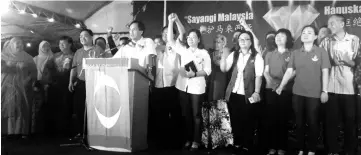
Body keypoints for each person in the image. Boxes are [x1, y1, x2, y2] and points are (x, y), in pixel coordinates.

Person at [276, 25, 331, 155]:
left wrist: (325, 91)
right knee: (299, 122)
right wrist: (281, 86)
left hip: (314, 94)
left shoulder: (321, 52)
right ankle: (300, 149)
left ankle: (312, 149)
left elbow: (325, 72)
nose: (306, 34)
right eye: (304, 32)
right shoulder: (295, 53)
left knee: (312, 122)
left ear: (315, 37)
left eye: (309, 32)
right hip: (298, 93)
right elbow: (289, 71)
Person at [167, 13, 212, 151]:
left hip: (197, 87)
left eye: (193, 37)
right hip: (182, 86)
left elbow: (208, 70)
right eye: (188, 37)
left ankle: (196, 141)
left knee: (196, 115)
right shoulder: (183, 50)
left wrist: (195, 74)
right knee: (186, 114)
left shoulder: (204, 53)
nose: (190, 39)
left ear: (198, 39)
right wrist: (170, 22)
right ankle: (188, 138)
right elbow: (170, 39)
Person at [220, 18, 264, 154]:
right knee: (234, 119)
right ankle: (237, 143)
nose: (243, 41)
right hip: (233, 93)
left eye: (246, 39)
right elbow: (224, 69)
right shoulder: (234, 54)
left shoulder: (257, 57)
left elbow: (259, 75)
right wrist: (223, 54)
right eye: (241, 39)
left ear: (251, 42)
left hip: (248, 94)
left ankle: (247, 144)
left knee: (248, 121)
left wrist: (256, 92)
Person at [320, 14, 360, 155]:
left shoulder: (355, 40)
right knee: (331, 122)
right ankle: (332, 150)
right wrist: (331, 62)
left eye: (332, 23)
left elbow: (358, 63)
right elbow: (320, 61)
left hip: (349, 87)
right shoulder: (326, 41)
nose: (329, 26)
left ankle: (350, 150)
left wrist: (348, 62)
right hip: (330, 87)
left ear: (342, 24)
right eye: (329, 23)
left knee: (350, 121)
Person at [149, 17, 185, 149]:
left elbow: (182, 32)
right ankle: (160, 140)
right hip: (158, 85)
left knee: (175, 113)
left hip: (173, 85)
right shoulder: (156, 48)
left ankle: (175, 141)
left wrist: (174, 21)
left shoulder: (176, 45)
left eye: (168, 33)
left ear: (173, 35)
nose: (165, 35)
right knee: (159, 114)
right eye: (163, 33)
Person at [263, 28, 294, 155]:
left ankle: (282, 147)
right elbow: (265, 71)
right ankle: (272, 147)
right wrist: (271, 83)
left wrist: (281, 85)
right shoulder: (270, 54)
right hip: (270, 89)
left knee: (283, 119)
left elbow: (293, 71)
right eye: (277, 36)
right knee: (271, 119)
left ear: (288, 39)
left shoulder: (292, 53)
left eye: (282, 36)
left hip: (285, 90)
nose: (278, 38)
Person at [69, 29, 103, 140]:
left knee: (92, 108)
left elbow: (104, 66)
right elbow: (74, 68)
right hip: (80, 83)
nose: (82, 38)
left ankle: (92, 133)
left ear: (91, 37)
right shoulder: (78, 52)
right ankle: (80, 132)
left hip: (94, 82)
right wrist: (70, 81)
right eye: (80, 36)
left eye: (85, 36)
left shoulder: (98, 50)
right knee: (79, 108)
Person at [1, 37, 37, 138]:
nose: (19, 45)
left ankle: (22, 131)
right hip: (6, 88)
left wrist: (29, 80)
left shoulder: (28, 57)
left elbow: (34, 72)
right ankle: (5, 131)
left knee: (22, 108)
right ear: (11, 45)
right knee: (7, 108)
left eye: (21, 43)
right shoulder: (3, 56)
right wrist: (7, 65)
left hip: (23, 88)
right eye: (17, 43)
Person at [44, 36, 75, 137]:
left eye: (64, 43)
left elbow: (77, 71)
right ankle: (52, 130)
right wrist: (48, 82)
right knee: (53, 107)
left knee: (66, 107)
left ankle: (65, 130)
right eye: (60, 43)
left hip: (67, 85)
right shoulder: (55, 55)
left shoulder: (74, 56)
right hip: (54, 85)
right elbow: (47, 69)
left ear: (70, 44)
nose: (61, 45)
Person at [32, 40, 54, 135]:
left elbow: (54, 73)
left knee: (49, 105)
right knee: (38, 106)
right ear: (40, 47)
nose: (46, 48)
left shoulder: (53, 57)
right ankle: (37, 128)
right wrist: (34, 84)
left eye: (47, 46)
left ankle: (48, 128)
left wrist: (49, 82)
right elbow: (32, 72)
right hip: (37, 85)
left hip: (49, 85)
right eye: (44, 46)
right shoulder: (35, 59)